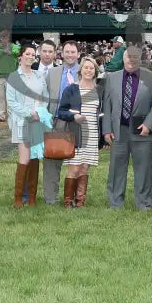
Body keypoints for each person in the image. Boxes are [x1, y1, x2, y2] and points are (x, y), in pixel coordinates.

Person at [101, 46, 152, 209]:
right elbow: (107, 106)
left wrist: (148, 124)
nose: (131, 60)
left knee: (143, 168)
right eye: (128, 57)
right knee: (116, 167)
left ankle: (143, 202)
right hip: (118, 130)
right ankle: (115, 201)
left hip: (141, 131)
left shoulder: (151, 77)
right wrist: (106, 129)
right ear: (123, 58)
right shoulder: (112, 77)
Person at [56, 56, 103, 208]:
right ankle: (68, 201)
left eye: (91, 68)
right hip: (76, 134)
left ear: (95, 71)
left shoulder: (99, 90)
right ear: (80, 70)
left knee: (84, 167)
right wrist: (74, 115)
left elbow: (102, 114)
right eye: (86, 67)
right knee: (74, 168)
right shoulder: (72, 89)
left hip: (92, 135)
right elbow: (61, 111)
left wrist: (102, 137)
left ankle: (80, 201)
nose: (88, 70)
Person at [7, 44, 48, 207]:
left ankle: (32, 197)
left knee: (35, 158)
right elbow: (11, 102)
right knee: (24, 158)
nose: (31, 57)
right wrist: (30, 113)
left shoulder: (39, 76)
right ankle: (18, 198)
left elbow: (45, 96)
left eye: (33, 54)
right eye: (28, 54)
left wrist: (40, 112)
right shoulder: (13, 77)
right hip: (21, 122)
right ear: (21, 56)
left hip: (37, 122)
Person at [41, 40, 79, 204]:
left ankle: (75, 199)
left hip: (78, 123)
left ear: (78, 54)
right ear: (61, 54)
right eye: (67, 52)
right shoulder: (53, 73)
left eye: (73, 52)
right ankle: (50, 199)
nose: (70, 55)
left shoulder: (86, 71)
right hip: (56, 122)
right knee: (52, 161)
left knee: (79, 162)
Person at [0, 30, 19, 122]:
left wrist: (7, 52)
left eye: (6, 37)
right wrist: (3, 51)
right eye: (3, 37)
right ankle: (0, 116)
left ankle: (12, 116)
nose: (4, 39)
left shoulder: (14, 46)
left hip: (12, 76)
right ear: (0, 38)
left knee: (11, 97)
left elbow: (17, 52)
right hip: (0, 75)